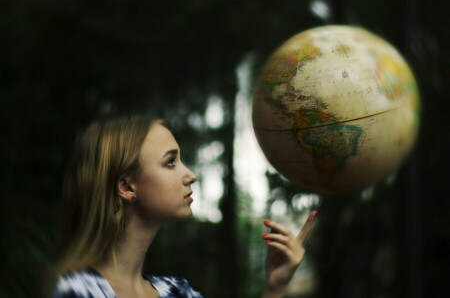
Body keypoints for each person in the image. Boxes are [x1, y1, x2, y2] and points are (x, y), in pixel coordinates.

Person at [51, 115, 317, 298]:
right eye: (170, 163)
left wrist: (275, 286)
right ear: (127, 187)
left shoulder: (179, 292)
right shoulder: (73, 291)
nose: (191, 175)